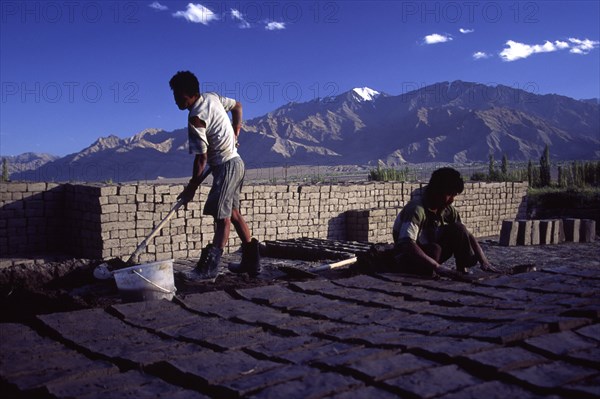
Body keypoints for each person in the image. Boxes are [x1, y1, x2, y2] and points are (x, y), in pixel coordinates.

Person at [169, 71, 260, 279]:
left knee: (223, 217)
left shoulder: (195, 119)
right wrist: (237, 127)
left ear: (187, 94)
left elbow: (202, 158)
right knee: (234, 214)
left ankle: (208, 269)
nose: (175, 101)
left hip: (226, 166)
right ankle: (251, 263)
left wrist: (191, 187)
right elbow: (238, 105)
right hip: (236, 163)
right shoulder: (212, 97)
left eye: (177, 96)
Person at [392, 167, 497, 276]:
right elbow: (406, 243)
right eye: (449, 194)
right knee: (435, 250)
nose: (452, 200)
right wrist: (438, 267)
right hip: (408, 256)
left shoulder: (446, 209)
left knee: (458, 228)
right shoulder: (416, 209)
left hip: (430, 251)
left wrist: (484, 261)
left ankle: (461, 269)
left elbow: (466, 234)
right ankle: (425, 271)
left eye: (454, 195)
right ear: (436, 191)